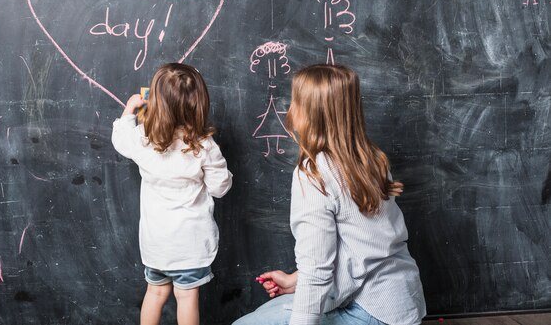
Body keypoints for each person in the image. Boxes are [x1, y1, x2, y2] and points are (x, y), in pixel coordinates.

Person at [233, 64, 426, 325]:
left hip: (369, 310)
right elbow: (360, 249)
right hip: (401, 304)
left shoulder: (314, 174)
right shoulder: (370, 159)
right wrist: (294, 281)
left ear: (311, 113)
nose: (289, 108)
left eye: (296, 101)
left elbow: (317, 270)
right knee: (264, 314)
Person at [111, 63, 233, 325]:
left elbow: (120, 140)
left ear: (155, 101)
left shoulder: (143, 138)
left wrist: (129, 111)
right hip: (189, 245)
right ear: (198, 103)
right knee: (186, 298)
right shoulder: (203, 145)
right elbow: (220, 188)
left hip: (157, 245)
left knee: (155, 293)